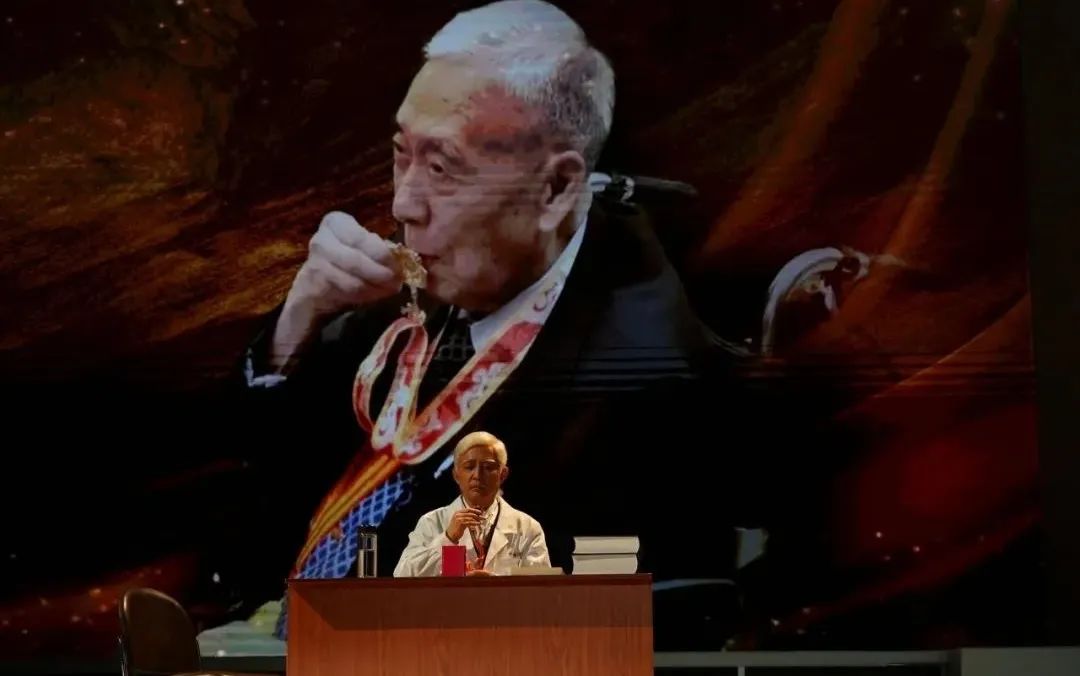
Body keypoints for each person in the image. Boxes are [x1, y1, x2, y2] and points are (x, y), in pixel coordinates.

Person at [234, 0, 716, 638]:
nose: (404, 205)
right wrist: (299, 318)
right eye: (402, 153)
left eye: (441, 167)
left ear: (555, 189)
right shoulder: (449, 262)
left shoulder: (640, 390)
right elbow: (268, 479)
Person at [394, 431, 549, 577]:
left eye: (488, 467)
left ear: (502, 474)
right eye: (469, 467)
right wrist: (449, 538)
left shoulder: (527, 527)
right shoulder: (432, 522)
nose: (477, 475)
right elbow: (403, 575)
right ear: (456, 475)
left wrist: (494, 583)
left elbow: (542, 586)